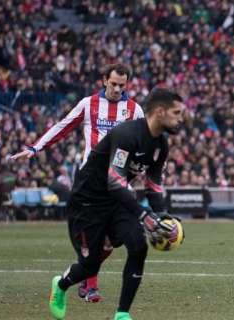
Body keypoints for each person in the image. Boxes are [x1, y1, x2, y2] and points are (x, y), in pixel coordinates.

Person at [11, 63, 144, 303]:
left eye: (121, 85)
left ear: (127, 85)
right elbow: (63, 127)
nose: (116, 89)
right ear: (104, 80)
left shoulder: (134, 110)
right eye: (113, 83)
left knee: (116, 238)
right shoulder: (88, 104)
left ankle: (85, 276)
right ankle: (89, 285)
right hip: (90, 183)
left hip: (118, 182)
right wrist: (35, 147)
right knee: (95, 237)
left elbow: (145, 141)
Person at [48, 88, 183, 320]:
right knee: (89, 266)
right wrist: (144, 215)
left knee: (138, 247)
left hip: (116, 201)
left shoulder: (161, 145)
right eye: (177, 112)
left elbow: (154, 184)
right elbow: (115, 180)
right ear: (160, 112)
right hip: (87, 203)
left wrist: (162, 215)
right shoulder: (126, 134)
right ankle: (61, 285)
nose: (181, 118)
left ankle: (122, 314)